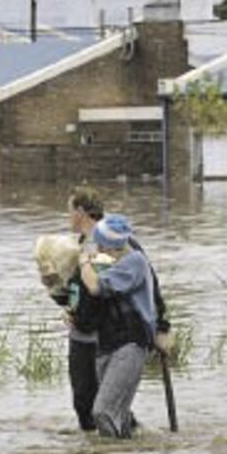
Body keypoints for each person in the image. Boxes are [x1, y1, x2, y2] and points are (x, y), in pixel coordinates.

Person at [60, 186, 171, 431]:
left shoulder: (125, 245)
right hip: (87, 333)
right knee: (85, 404)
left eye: (69, 211)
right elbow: (75, 288)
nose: (67, 217)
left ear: (80, 211)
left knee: (103, 407)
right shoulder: (76, 245)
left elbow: (150, 284)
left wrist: (162, 326)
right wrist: (70, 308)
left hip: (112, 334)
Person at [78, 214, 157, 439]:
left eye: (101, 244)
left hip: (130, 342)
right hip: (107, 342)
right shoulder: (108, 262)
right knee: (118, 414)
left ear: (110, 245)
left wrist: (84, 262)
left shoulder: (135, 262)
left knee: (102, 411)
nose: (98, 248)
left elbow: (94, 287)